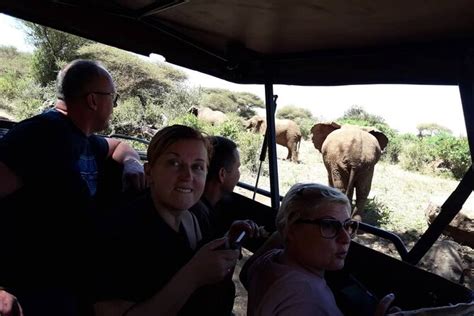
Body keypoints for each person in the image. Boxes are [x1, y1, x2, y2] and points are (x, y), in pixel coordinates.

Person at [0, 59, 145, 315]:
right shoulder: (39, 135)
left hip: (67, 285)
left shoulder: (84, 138)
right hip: (28, 289)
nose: (113, 105)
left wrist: (133, 163)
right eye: (112, 97)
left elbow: (118, 146)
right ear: (93, 100)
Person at [94, 125, 256, 315]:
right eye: (174, 163)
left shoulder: (196, 215)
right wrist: (193, 276)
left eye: (197, 166)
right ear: (149, 172)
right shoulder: (119, 231)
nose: (187, 176)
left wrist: (226, 243)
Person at [243, 182, 399, 316]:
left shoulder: (269, 259)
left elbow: (245, 273)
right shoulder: (306, 298)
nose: (345, 239)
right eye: (329, 225)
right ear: (292, 229)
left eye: (348, 225)